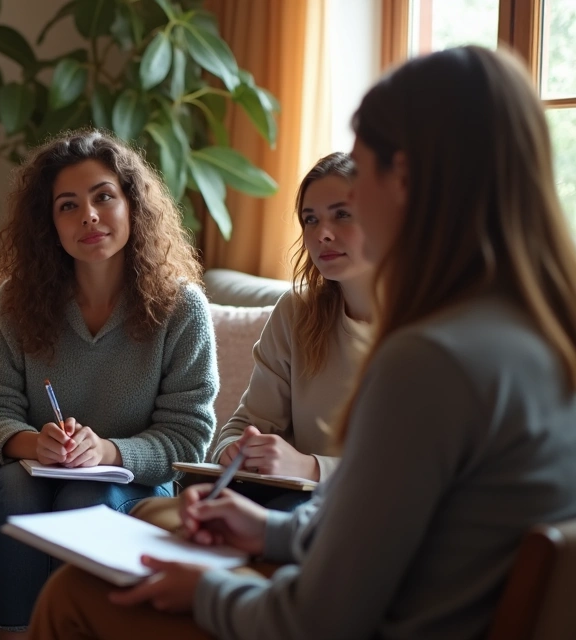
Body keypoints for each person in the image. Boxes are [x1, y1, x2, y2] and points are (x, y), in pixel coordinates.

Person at [29, 46, 576, 640]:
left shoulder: (429, 362)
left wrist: (208, 590)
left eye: (361, 178)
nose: (344, 216)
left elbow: (314, 618)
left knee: (77, 592)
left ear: (410, 182)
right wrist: (271, 533)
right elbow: (397, 531)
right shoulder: (539, 333)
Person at [0, 129, 218, 637]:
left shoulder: (182, 308)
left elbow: (189, 436)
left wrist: (107, 453)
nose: (90, 216)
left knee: (87, 498)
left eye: (104, 196)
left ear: (132, 205)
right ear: (48, 224)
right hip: (34, 472)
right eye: (68, 205)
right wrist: (33, 443)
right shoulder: (17, 302)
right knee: (14, 482)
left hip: (135, 484)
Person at [142, 152, 373, 515]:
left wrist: (312, 467)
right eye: (310, 219)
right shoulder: (296, 313)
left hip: (363, 507)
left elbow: (418, 466)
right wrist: (235, 450)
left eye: (341, 214)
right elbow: (245, 424)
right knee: (174, 508)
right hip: (288, 498)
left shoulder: (422, 331)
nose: (322, 234)